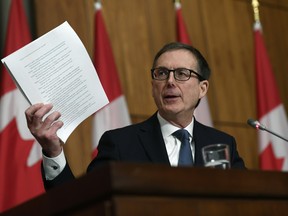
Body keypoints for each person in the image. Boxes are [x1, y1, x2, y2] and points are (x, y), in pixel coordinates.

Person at [25, 42, 246, 190]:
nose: (169, 81)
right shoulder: (121, 143)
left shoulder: (223, 144)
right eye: (161, 73)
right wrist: (53, 151)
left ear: (203, 88)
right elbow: (82, 204)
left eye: (181, 74)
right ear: (153, 85)